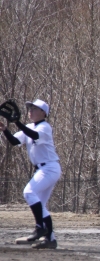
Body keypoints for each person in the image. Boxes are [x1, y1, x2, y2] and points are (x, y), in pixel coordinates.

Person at [0, 99, 61, 249]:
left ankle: (40, 227)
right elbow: (15, 141)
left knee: (28, 192)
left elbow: (34, 135)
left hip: (50, 168)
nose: (30, 111)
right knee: (41, 205)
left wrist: (17, 122)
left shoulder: (45, 127)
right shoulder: (29, 127)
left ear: (43, 113)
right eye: (30, 108)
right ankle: (50, 239)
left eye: (34, 108)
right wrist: (5, 129)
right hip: (43, 169)